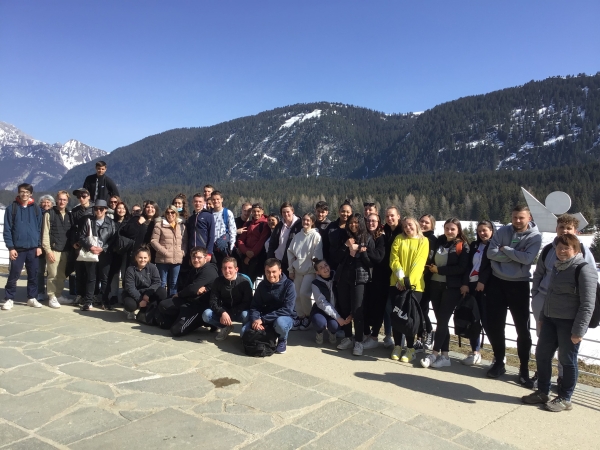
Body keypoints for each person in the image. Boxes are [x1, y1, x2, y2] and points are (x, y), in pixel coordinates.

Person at [522, 234, 597, 412]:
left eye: (566, 248)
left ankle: (565, 398)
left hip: (569, 323)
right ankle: (543, 391)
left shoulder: (583, 269)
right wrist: (542, 317)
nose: (562, 251)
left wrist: (579, 331)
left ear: (576, 250)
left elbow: (588, 304)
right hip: (549, 319)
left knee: (567, 360)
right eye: (559, 248)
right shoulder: (557, 267)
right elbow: (550, 294)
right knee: (542, 354)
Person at [531, 214, 596, 388]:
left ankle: (562, 379)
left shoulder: (583, 252)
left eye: (568, 229)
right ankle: (543, 376)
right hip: (545, 302)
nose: (564, 231)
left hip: (568, 310)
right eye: (561, 228)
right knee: (544, 345)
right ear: (556, 229)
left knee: (565, 350)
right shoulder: (548, 250)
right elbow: (539, 273)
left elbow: (588, 284)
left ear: (576, 231)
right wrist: (536, 293)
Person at [486, 205, 541, 383]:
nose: (517, 221)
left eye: (521, 218)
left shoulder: (535, 236)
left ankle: (523, 368)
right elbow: (490, 253)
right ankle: (499, 362)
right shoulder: (503, 231)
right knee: (496, 326)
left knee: (522, 330)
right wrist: (516, 254)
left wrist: (506, 250)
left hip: (519, 285)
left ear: (529, 217)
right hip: (497, 283)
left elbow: (527, 259)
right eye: (515, 217)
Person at [421, 218, 470, 369]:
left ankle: (434, 354)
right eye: (447, 228)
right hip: (435, 285)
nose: (449, 231)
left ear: (458, 230)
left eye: (452, 229)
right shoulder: (439, 242)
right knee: (441, 321)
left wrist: (440, 270)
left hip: (451, 288)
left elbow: (462, 268)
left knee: (442, 320)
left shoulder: (463, 246)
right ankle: (445, 356)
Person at [388, 217, 429, 362]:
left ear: (416, 225)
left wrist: (408, 282)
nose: (407, 228)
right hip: (397, 284)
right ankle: (398, 345)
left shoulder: (423, 241)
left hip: (415, 287)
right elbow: (393, 259)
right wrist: (400, 279)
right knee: (397, 315)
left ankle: (410, 348)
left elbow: (419, 263)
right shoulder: (399, 239)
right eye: (405, 226)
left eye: (410, 225)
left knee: (410, 317)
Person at [334, 213, 374, 356]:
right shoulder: (344, 237)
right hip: (344, 277)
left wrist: (360, 251)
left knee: (358, 310)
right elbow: (337, 257)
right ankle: (347, 337)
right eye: (351, 222)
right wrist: (346, 246)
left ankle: (358, 341)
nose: (353, 225)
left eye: (356, 222)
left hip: (360, 279)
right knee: (344, 308)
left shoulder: (368, 238)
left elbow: (371, 262)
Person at [157, 246, 219, 336]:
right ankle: (181, 317)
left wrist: (182, 293)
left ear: (206, 258)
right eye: (193, 257)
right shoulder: (194, 270)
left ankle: (202, 321)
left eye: (199, 257)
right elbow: (189, 287)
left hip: (199, 306)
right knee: (164, 305)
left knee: (176, 331)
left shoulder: (209, 270)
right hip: (189, 301)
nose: (196, 260)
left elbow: (192, 288)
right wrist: (192, 290)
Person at [2, 183, 43, 311]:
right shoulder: (11, 209)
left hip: (33, 248)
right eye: (22, 192)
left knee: (33, 274)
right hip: (17, 249)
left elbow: (40, 229)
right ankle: (9, 298)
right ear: (18, 193)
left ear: (31, 194)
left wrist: (39, 246)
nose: (24, 194)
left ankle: (32, 297)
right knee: (14, 274)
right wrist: (11, 247)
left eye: (27, 192)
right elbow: (7, 230)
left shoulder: (36, 209)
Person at [459, 220, 494, 365]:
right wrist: (465, 283)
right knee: (473, 320)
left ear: (492, 230)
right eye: (479, 231)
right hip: (472, 287)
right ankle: (475, 352)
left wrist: (483, 281)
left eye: (485, 230)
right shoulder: (474, 245)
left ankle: (498, 354)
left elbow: (491, 265)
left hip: (486, 288)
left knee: (488, 322)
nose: (482, 233)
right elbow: (468, 265)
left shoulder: (494, 246)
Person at [243, 258, 295, 354]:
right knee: (243, 333)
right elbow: (255, 306)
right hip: (264, 317)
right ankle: (270, 335)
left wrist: (262, 320)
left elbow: (287, 310)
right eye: (268, 272)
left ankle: (282, 339)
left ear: (280, 271)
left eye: (274, 272)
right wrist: (255, 320)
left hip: (283, 317)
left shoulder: (289, 285)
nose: (271, 275)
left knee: (281, 324)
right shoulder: (262, 285)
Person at [369, 206, 404, 348]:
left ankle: (398, 341)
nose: (390, 218)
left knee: (395, 308)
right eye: (387, 216)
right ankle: (386, 336)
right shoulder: (387, 231)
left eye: (392, 216)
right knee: (386, 307)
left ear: (398, 216)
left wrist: (402, 277)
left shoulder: (403, 231)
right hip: (386, 274)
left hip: (400, 276)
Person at [202, 256, 253, 341]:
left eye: (230, 268)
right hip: (224, 311)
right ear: (221, 269)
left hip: (239, 312)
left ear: (236, 269)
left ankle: (245, 332)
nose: (227, 271)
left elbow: (247, 302)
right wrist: (222, 312)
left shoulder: (244, 282)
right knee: (206, 315)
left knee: (246, 315)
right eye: (224, 268)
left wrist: (230, 313)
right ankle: (225, 327)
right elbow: (213, 301)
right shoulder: (218, 281)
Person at [78, 199, 116, 311]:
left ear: (106, 210)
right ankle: (88, 302)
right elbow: (81, 236)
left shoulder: (111, 222)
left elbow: (113, 239)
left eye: (101, 209)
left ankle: (104, 301)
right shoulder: (88, 221)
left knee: (104, 279)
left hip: (105, 254)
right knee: (91, 278)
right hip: (91, 252)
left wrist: (103, 248)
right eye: (96, 208)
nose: (98, 211)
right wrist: (90, 247)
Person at [287, 213, 323, 330]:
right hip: (298, 270)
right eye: (304, 220)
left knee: (304, 293)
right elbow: (290, 252)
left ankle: (308, 316)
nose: (305, 222)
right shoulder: (297, 236)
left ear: (312, 222)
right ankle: (300, 316)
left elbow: (317, 254)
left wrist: (316, 266)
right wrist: (291, 269)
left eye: (308, 220)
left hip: (310, 270)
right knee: (297, 295)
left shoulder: (316, 236)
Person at [41, 191, 75, 308]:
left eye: (64, 200)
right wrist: (48, 250)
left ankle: (58, 295)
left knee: (61, 275)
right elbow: (45, 233)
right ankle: (51, 296)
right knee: (52, 274)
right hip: (53, 249)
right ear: (56, 200)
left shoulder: (70, 215)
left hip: (65, 250)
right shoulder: (49, 213)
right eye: (60, 199)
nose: (62, 202)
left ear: (67, 201)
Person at [311, 258, 351, 345]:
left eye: (326, 265)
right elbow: (322, 303)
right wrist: (337, 317)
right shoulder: (315, 283)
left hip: (336, 309)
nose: (325, 268)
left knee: (334, 326)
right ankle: (319, 332)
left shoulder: (337, 277)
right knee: (319, 323)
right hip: (321, 310)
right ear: (317, 272)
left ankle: (332, 333)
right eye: (321, 267)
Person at [362, 213, 386, 349]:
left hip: (379, 279)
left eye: (374, 221)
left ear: (379, 222)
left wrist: (365, 250)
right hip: (365, 277)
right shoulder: (363, 235)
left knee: (378, 308)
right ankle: (366, 334)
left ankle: (374, 336)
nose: (371, 223)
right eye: (369, 220)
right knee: (364, 306)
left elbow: (379, 257)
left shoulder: (381, 238)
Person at [151, 205, 187, 296]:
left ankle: (171, 304)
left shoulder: (182, 226)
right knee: (162, 283)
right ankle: (160, 303)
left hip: (177, 259)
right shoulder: (159, 225)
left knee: (174, 283)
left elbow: (185, 241)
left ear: (176, 214)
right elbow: (153, 241)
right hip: (162, 259)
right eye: (167, 212)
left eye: (172, 212)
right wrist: (165, 252)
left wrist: (183, 252)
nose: (170, 214)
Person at [122, 246, 167, 319]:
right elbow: (130, 287)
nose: (142, 260)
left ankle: (156, 310)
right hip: (135, 294)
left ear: (148, 258)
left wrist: (147, 294)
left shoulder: (152, 267)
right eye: (140, 257)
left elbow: (157, 282)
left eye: (145, 258)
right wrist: (140, 300)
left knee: (162, 292)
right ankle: (131, 310)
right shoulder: (130, 269)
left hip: (148, 292)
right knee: (130, 304)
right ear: (136, 257)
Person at [71, 187, 94, 305]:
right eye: (79, 196)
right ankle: (80, 294)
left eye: (84, 196)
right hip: (78, 246)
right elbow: (71, 229)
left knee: (91, 273)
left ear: (89, 196)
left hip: (92, 244)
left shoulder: (95, 209)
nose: (81, 198)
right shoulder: (75, 211)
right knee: (79, 272)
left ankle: (91, 296)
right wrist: (73, 243)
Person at [236, 203, 270, 282]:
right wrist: (246, 252)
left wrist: (250, 255)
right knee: (243, 277)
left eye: (258, 211)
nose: (256, 213)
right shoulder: (247, 224)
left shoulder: (264, 224)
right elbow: (240, 240)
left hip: (257, 256)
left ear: (262, 211)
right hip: (246, 254)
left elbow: (261, 241)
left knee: (251, 278)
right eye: (254, 211)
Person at [419, 214, 437, 350]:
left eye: (426, 223)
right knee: (418, 308)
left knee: (422, 308)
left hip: (428, 279)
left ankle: (429, 331)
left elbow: (430, 259)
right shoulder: (417, 237)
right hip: (416, 279)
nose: (423, 224)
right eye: (421, 221)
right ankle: (420, 337)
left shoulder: (433, 240)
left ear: (432, 225)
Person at [267, 202, 302, 276]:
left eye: (288, 212)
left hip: (293, 262)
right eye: (283, 212)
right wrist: (270, 259)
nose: (286, 214)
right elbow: (272, 243)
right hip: (278, 260)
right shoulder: (280, 225)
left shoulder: (300, 225)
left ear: (293, 211)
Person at [106, 201, 130, 305]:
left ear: (126, 210)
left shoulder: (129, 222)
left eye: (123, 208)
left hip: (126, 252)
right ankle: (114, 295)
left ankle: (125, 295)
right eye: (119, 208)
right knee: (114, 274)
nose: (121, 210)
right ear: (116, 210)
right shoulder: (112, 222)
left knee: (125, 274)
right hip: (114, 252)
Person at [211, 191, 237, 271]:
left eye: (218, 199)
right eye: (214, 199)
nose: (216, 201)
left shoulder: (227, 213)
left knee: (225, 269)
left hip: (224, 247)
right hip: (212, 247)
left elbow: (232, 230)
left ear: (222, 199)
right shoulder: (209, 214)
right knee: (215, 269)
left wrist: (231, 246)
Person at [37, 194, 55, 301]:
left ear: (52, 204)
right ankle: (40, 291)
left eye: (48, 202)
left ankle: (50, 291)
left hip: (51, 247)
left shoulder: (53, 214)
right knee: (39, 271)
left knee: (51, 271)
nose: (46, 204)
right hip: (39, 247)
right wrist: (38, 245)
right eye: (44, 202)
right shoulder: (37, 213)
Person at [325, 200, 353, 269]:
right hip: (331, 264)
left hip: (348, 266)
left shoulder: (353, 228)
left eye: (348, 212)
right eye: (343, 211)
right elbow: (325, 245)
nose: (345, 214)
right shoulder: (331, 226)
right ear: (339, 212)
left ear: (351, 213)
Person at [187, 193, 215, 258]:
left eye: (200, 201)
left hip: (203, 250)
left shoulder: (209, 216)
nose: (198, 203)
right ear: (192, 202)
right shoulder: (191, 218)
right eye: (196, 201)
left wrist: (209, 252)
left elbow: (211, 235)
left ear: (204, 203)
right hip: (192, 250)